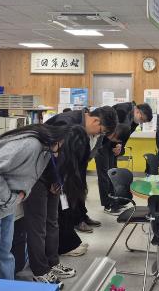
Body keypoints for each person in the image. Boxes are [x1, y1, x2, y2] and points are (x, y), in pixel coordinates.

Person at [0, 124, 90, 284]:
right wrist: (9, 198)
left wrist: (17, 196)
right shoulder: (31, 145)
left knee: (5, 255)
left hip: (4, 203)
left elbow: (28, 177)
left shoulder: (46, 149)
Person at [45, 107, 117, 255]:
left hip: (63, 172)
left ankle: (68, 242)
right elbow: (51, 155)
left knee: (66, 205)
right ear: (96, 120)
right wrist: (54, 179)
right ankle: (64, 246)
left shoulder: (79, 124)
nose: (98, 135)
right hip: (49, 173)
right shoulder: (67, 123)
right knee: (59, 209)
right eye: (101, 131)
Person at [95, 124, 132, 215]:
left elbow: (120, 135)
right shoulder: (104, 128)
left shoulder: (122, 127)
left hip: (110, 145)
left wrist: (118, 145)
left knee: (113, 174)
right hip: (101, 146)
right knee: (104, 176)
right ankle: (107, 205)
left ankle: (115, 202)